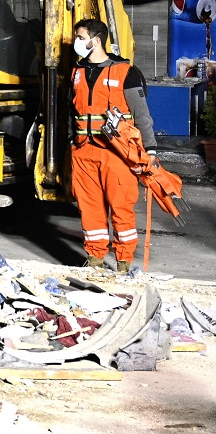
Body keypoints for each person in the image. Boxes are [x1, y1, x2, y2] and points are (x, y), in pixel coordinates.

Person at [71, 18, 157, 271]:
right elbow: (70, 112)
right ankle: (95, 258)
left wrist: (150, 150)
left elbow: (142, 114)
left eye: (80, 37)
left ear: (96, 40)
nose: (76, 42)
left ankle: (123, 262)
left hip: (117, 153)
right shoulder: (77, 73)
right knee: (89, 208)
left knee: (121, 206)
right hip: (83, 151)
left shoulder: (125, 72)